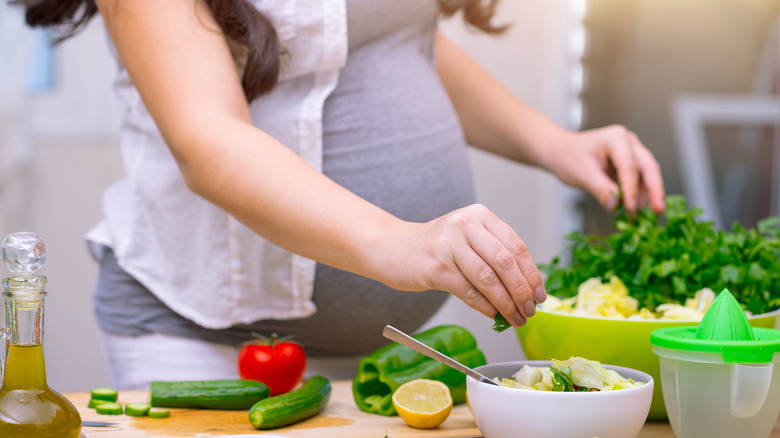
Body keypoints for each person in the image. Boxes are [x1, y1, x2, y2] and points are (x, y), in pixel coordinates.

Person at [21, 0, 666, 388]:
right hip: (207, 336)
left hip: (379, 353)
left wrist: (555, 143)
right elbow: (206, 140)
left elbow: (391, 37)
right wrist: (403, 242)